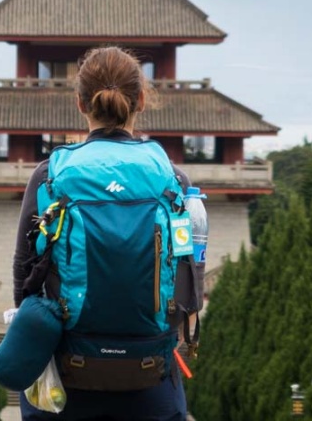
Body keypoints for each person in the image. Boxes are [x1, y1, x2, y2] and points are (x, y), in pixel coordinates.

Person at [11, 46, 193, 421]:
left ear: (80, 103)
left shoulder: (50, 175)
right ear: (141, 100)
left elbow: (24, 274)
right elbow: (189, 280)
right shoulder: (172, 180)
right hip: (150, 376)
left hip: (67, 374)